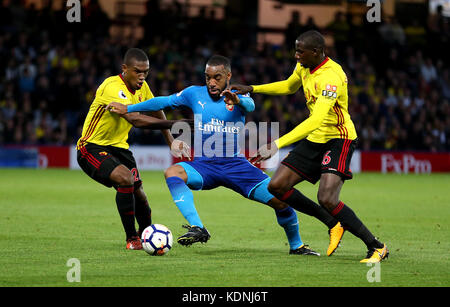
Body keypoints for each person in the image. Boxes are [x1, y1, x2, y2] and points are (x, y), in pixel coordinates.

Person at [107, 55, 326, 256]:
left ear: (228, 76)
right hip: (205, 166)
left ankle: (297, 246)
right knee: (172, 172)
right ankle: (198, 227)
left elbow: (250, 104)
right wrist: (129, 108)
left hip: (236, 166)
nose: (211, 82)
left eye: (217, 77)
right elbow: (163, 101)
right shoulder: (194, 93)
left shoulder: (238, 95)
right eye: (208, 77)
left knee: (281, 201)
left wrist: (238, 99)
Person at [230, 31, 388, 263]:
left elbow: (316, 119)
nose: (296, 55)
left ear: (316, 52)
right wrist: (252, 88)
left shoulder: (332, 76)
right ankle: (333, 223)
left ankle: (376, 247)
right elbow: (288, 86)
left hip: (338, 138)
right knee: (277, 186)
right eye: (296, 50)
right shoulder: (304, 66)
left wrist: (277, 144)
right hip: (316, 138)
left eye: (300, 51)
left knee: (327, 197)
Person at [76, 48, 190, 250]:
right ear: (124, 69)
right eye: (137, 71)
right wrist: (176, 124)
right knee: (125, 178)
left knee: (140, 196)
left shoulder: (142, 86)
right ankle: (132, 239)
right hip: (92, 147)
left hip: (120, 149)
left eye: (146, 72)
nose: (142, 76)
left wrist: (171, 141)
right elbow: (135, 119)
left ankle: (146, 235)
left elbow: (156, 108)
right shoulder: (112, 87)